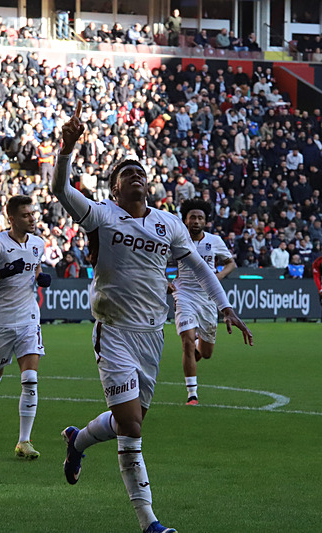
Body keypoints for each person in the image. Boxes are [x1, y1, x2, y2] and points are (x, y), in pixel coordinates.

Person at [52, 102, 253, 533]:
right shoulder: (102, 215)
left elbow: (201, 268)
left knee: (131, 420)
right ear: (114, 188)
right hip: (114, 332)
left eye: (140, 172)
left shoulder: (169, 225)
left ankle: (77, 440)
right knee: (131, 429)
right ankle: (149, 522)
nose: (136, 176)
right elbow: (60, 190)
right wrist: (67, 148)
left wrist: (225, 306)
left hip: (151, 335)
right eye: (127, 173)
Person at [0, 195, 52, 459]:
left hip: (29, 319)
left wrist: (40, 277)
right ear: (12, 219)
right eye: (26, 215)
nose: (32, 218)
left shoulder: (37, 243)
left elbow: (34, 267)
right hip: (0, 321)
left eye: (33, 213)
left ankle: (24, 441)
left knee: (30, 380)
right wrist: (3, 273)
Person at [171, 199, 237, 405]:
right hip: (184, 294)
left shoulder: (214, 240)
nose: (196, 221)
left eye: (200, 218)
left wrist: (217, 277)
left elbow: (231, 263)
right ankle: (192, 394)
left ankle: (193, 352)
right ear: (185, 220)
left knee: (206, 353)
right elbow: (158, 261)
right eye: (192, 217)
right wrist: (165, 281)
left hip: (207, 299)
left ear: (206, 221)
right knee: (187, 341)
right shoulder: (177, 240)